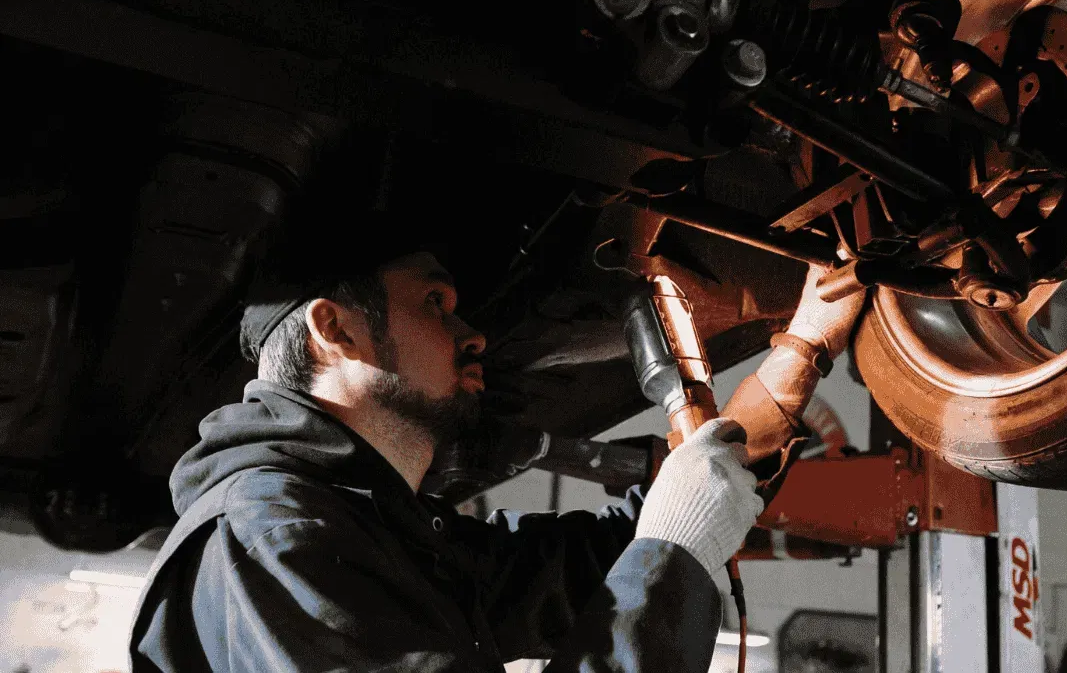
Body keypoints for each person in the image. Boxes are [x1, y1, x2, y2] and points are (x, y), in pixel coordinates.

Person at [128, 217, 863, 672]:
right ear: (336, 330)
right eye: (434, 303)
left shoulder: (375, 533)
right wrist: (675, 548)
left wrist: (801, 350)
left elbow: (603, 563)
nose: (473, 332)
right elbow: (661, 549)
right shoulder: (271, 537)